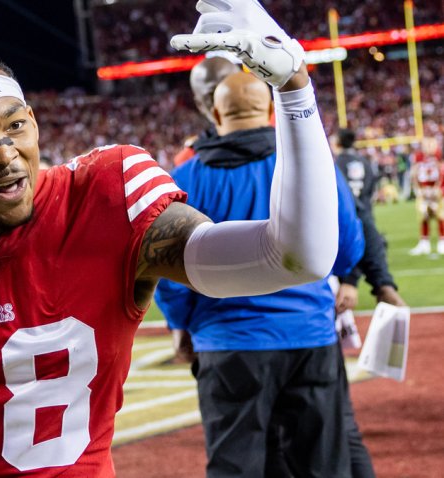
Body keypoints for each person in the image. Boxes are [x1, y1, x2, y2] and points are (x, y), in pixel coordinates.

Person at [0, 1, 338, 475]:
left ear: (35, 124)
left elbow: (291, 259)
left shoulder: (109, 196)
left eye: (15, 126)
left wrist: (294, 89)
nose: (3, 152)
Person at [155, 72, 366, 477]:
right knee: (322, 466)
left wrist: (180, 327)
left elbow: (168, 271)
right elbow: (347, 248)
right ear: (272, 111)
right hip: (309, 339)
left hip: (226, 343)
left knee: (236, 467)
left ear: (215, 112)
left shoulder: (182, 180)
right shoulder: (313, 167)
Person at [333, 128, 406, 309]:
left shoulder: (335, 164)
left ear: (338, 143)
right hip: (365, 217)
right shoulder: (364, 161)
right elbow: (369, 192)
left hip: (347, 224)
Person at [409, 138, 444, 255]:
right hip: (423, 192)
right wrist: (418, 189)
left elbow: (441, 172)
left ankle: (442, 242)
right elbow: (414, 173)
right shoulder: (419, 157)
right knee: (423, 216)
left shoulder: (439, 155)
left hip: (437, 192)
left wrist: (438, 189)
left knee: (441, 216)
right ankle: (424, 243)